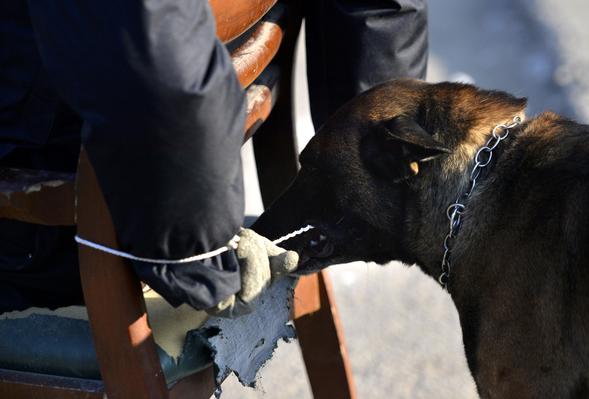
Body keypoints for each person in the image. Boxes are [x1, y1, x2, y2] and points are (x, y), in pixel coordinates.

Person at [0, 0, 428, 314]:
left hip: (78, 191)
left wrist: (198, 253)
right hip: (206, 112)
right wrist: (375, 169)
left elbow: (148, 42)